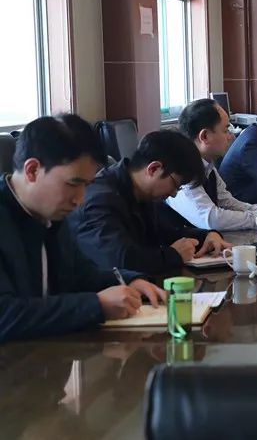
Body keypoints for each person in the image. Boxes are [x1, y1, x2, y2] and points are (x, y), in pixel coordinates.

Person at [0, 115, 165, 342]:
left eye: (86, 185)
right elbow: (5, 316)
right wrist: (96, 305)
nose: (80, 199)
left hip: (49, 353)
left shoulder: (52, 216)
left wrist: (130, 281)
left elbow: (82, 276)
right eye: (72, 184)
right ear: (32, 170)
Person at [70, 130, 229, 273]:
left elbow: (166, 233)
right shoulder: (101, 200)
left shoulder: (141, 193)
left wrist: (207, 236)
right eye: (175, 185)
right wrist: (173, 255)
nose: (173, 194)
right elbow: (120, 261)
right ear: (153, 169)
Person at [165, 98, 257, 231]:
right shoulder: (182, 170)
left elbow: (226, 201)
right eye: (226, 130)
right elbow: (212, 219)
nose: (230, 137)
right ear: (204, 136)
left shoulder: (207, 165)